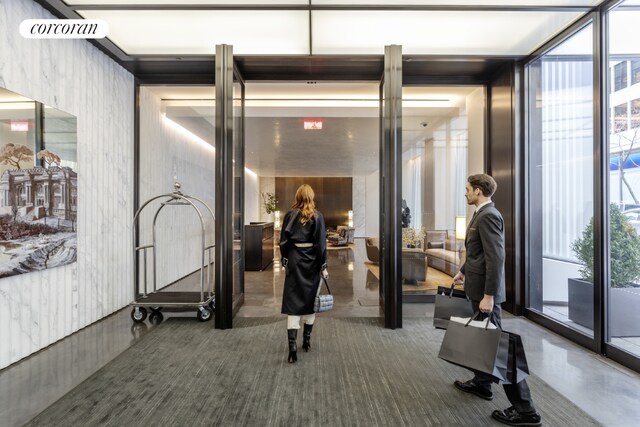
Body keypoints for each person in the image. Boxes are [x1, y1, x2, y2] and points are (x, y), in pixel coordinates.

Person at [452, 174, 541, 426]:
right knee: (482, 341)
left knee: (500, 349)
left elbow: (496, 258)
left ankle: (526, 410)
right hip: (477, 289)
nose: (466, 193)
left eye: (468, 189)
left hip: (485, 295)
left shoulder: (489, 215)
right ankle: (482, 384)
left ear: (478, 191)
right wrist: (463, 271)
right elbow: (478, 253)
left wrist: (489, 296)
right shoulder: (480, 213)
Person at [280, 184, 328, 364]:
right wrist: (323, 265)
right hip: (312, 264)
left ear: (297, 196)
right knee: (310, 300)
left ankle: (292, 348)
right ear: (311, 196)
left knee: (293, 301)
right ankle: (306, 341)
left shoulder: (289, 215)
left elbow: (284, 242)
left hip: (294, 262)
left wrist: (285, 261)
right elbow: (321, 244)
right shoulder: (318, 216)